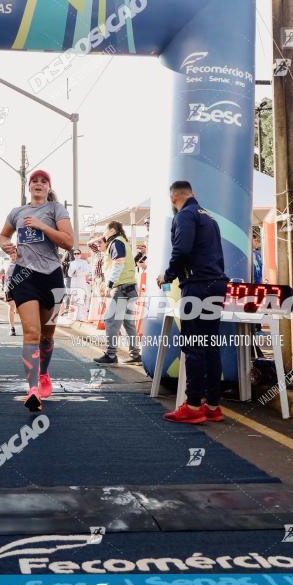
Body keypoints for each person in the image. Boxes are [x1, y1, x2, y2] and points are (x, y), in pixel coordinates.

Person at [0, 169, 74, 412]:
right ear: (28, 186)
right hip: (24, 276)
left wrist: (42, 226)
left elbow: (68, 242)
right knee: (31, 332)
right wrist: (6, 246)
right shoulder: (17, 212)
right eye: (34, 181)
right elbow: (2, 235)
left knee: (47, 335)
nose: (38, 184)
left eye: (43, 181)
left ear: (49, 187)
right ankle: (32, 390)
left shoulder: (56, 210)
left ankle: (43, 374)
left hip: (52, 277)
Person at [157, 180, 229, 424]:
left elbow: (182, 249)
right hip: (217, 284)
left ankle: (194, 405)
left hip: (197, 286)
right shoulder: (208, 216)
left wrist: (167, 276)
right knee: (210, 345)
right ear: (192, 194)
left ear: (173, 199)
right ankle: (212, 405)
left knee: (193, 345)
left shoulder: (184, 215)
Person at [95, 221, 142, 365]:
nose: (104, 233)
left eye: (105, 230)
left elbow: (118, 263)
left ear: (112, 230)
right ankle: (135, 354)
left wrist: (109, 284)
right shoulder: (123, 241)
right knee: (128, 322)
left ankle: (111, 355)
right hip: (130, 287)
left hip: (122, 287)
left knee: (110, 321)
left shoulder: (116, 242)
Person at [68, 250, 90, 322]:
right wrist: (72, 274)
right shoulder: (72, 263)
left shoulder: (84, 262)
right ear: (73, 255)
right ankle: (73, 316)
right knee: (74, 299)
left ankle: (81, 316)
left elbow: (87, 271)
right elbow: (69, 273)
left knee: (81, 299)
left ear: (80, 254)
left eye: (78, 253)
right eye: (75, 253)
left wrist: (78, 274)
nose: (76, 255)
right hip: (74, 283)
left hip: (81, 282)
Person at [5, 248, 19, 336]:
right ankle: (12, 328)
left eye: (14, 253)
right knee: (11, 306)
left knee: (21, 309)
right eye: (11, 253)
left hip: (20, 289)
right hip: (9, 289)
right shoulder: (6, 264)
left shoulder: (21, 264)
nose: (13, 255)